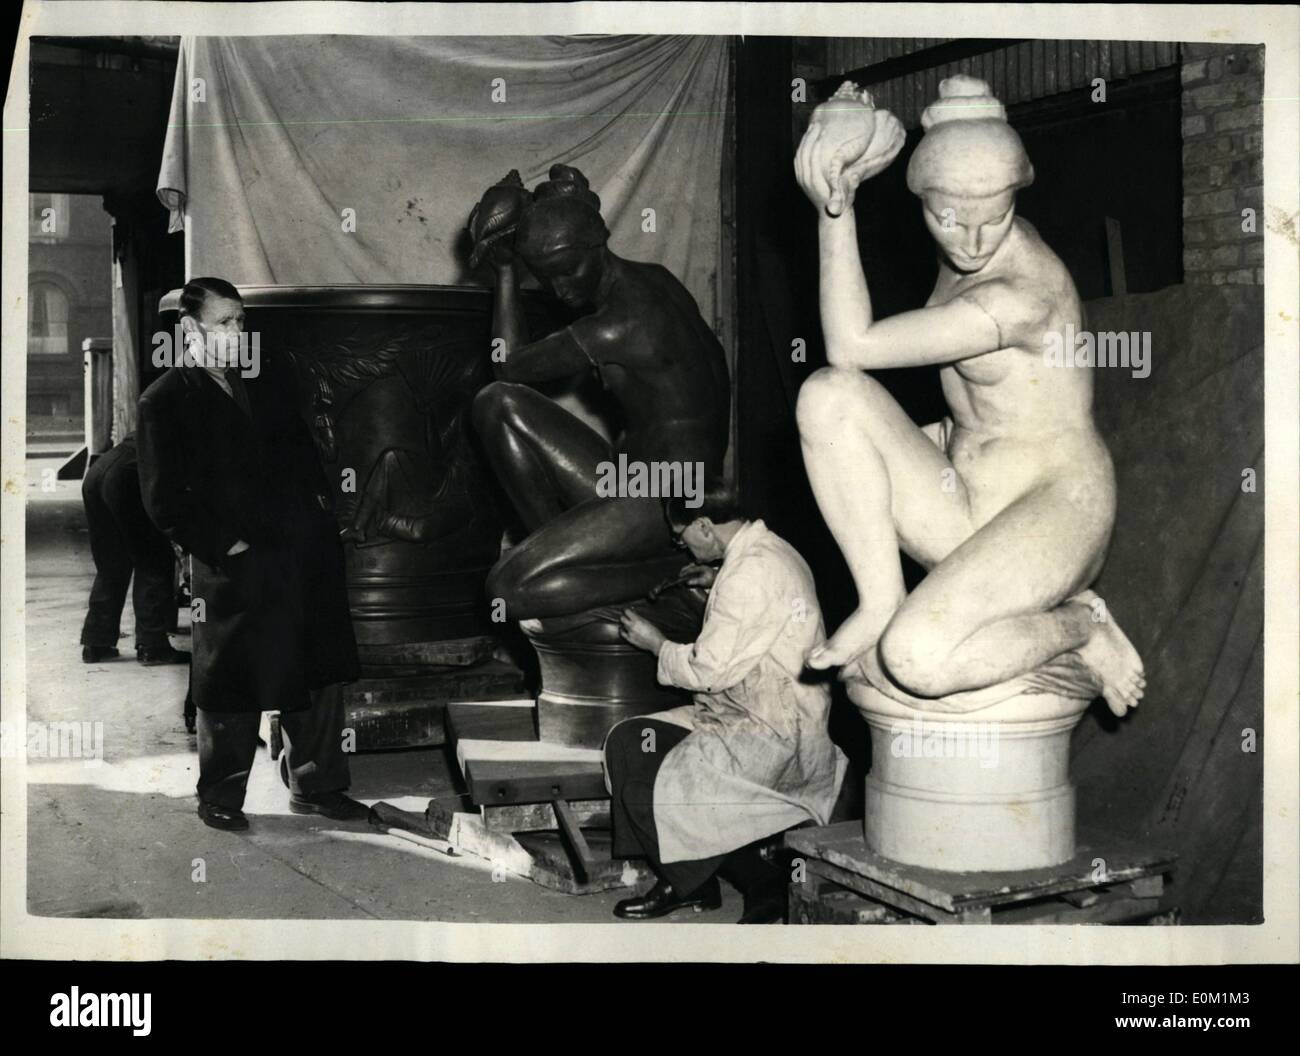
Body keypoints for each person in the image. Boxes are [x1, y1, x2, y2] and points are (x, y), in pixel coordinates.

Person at [793, 75, 1145, 715]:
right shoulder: (966, 257)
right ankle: (880, 598)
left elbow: (854, 344)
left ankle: (1082, 624)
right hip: (968, 498)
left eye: (996, 218)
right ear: (923, 201)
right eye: (951, 219)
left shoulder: (1018, 295)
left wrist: (833, 206)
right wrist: (855, 131)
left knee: (916, 658)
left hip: (1057, 510)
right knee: (827, 398)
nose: (975, 243)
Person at [137, 277, 367, 831]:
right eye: (224, 323)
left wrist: (323, 515)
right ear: (190, 330)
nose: (237, 332)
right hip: (235, 564)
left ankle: (318, 786)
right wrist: (225, 546)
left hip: (302, 551)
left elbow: (305, 456)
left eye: (241, 321)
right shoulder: (164, 400)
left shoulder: (267, 382)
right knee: (230, 683)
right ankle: (220, 794)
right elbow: (163, 501)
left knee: (316, 673)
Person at [468, 164, 731, 619]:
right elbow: (504, 385)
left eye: (570, 270)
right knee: (497, 404)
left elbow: (505, 361)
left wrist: (507, 272)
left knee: (505, 590)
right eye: (546, 277)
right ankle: (567, 556)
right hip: (635, 481)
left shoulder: (619, 325)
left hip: (675, 494)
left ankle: (670, 572)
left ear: (598, 244)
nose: (561, 289)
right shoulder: (656, 277)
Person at [607, 488, 847, 922]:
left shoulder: (748, 575)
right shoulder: (770, 550)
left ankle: (744, 880)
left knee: (644, 792)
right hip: (753, 712)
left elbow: (707, 672)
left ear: (704, 526)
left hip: (771, 734)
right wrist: (716, 576)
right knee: (629, 743)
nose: (683, 546)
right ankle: (694, 882)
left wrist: (655, 643)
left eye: (682, 537)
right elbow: (759, 606)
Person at [79, 432, 187, 666]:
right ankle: (152, 646)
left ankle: (96, 643)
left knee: (111, 563)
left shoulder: (168, 402)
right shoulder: (202, 419)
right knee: (154, 559)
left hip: (99, 472)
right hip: (127, 476)